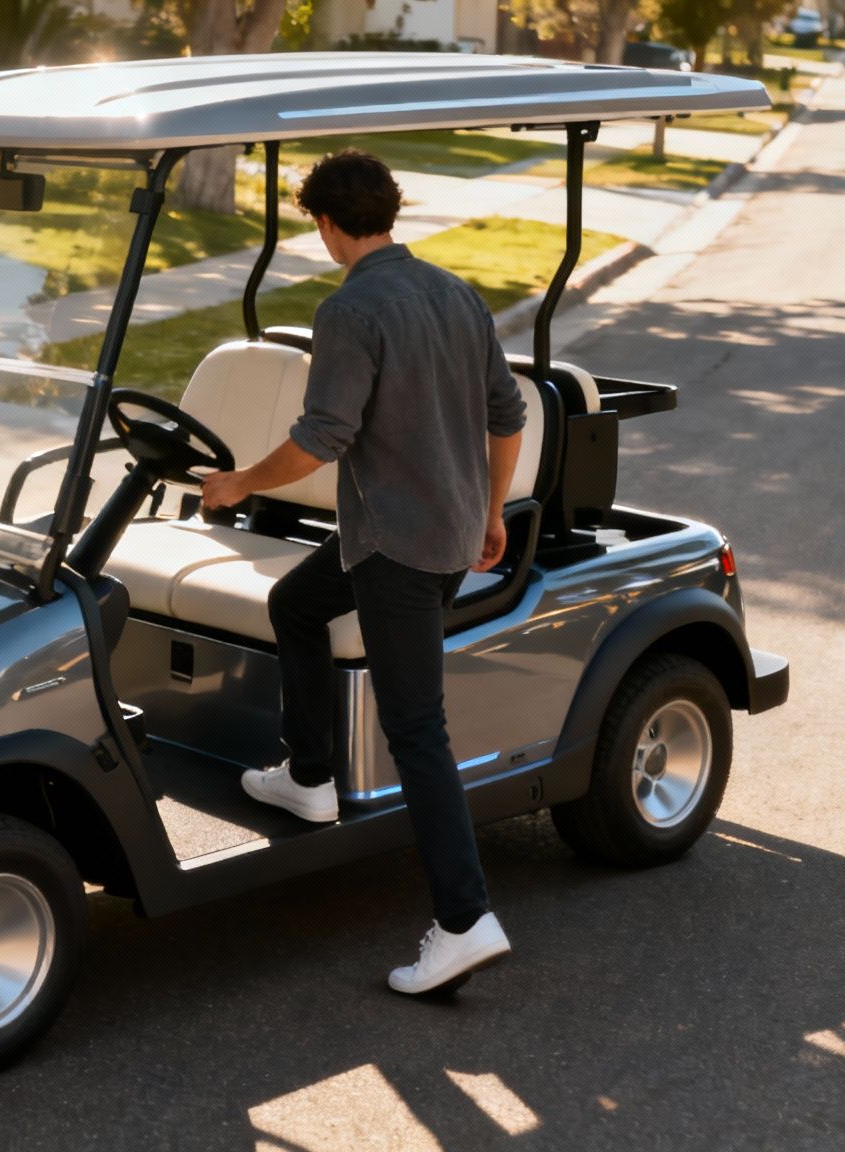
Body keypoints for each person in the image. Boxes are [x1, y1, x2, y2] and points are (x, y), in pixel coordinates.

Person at [198, 149, 526, 995]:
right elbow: (507, 415)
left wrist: (235, 483)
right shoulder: (455, 292)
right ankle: (310, 777)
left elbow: (322, 437)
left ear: (328, 224)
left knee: (417, 729)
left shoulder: (351, 308)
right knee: (297, 605)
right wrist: (491, 512)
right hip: (444, 535)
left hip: (396, 551)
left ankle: (463, 922)